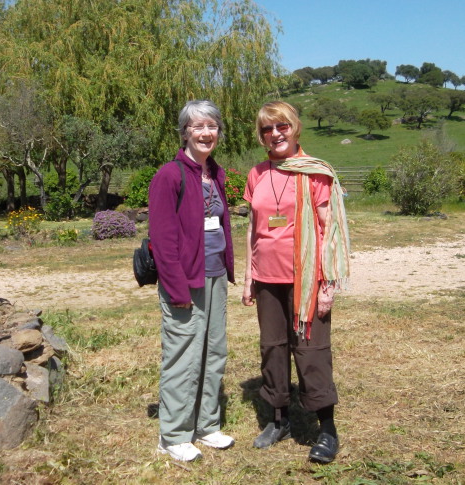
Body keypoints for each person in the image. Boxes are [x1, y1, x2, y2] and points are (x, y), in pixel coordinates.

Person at [241, 101, 350, 463]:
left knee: (311, 351)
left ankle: (327, 429)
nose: (275, 134)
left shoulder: (315, 173)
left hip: (306, 279)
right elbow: (254, 230)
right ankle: (279, 419)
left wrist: (328, 284)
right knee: (272, 348)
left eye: (281, 126)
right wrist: (247, 275)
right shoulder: (257, 173)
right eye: (267, 129)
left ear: (295, 127)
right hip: (266, 278)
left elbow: (329, 230)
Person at [148, 100, 236, 462]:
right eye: (197, 126)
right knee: (182, 356)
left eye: (212, 126)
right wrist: (176, 287)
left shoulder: (215, 173)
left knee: (214, 352)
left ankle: (206, 425)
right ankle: (173, 435)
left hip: (215, 277)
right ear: (185, 132)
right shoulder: (169, 175)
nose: (205, 133)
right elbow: (163, 240)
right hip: (185, 281)